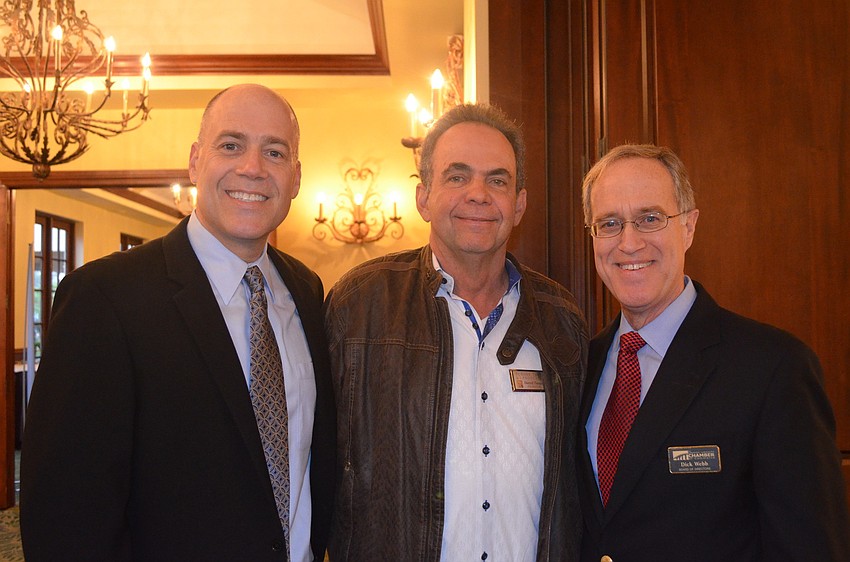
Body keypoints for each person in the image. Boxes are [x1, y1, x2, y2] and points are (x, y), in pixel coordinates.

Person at [20, 84, 335, 561]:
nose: (252, 167)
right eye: (231, 145)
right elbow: (64, 516)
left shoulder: (307, 291)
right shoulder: (105, 299)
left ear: (295, 178)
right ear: (194, 162)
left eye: (274, 151)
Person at [324, 103, 588, 561]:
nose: (479, 194)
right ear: (423, 197)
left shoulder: (562, 321)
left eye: (498, 180)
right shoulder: (359, 306)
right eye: (457, 176)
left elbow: (579, 486)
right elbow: (315, 463)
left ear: (519, 204)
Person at [577, 143, 850, 561]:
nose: (628, 242)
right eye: (609, 223)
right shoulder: (579, 365)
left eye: (649, 219)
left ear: (688, 226)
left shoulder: (774, 369)